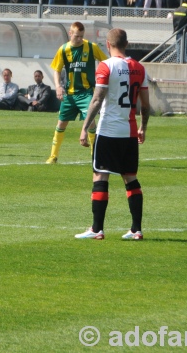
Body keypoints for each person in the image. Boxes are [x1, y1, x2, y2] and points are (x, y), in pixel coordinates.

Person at [75, 28, 150, 240]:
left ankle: (97, 229)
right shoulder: (139, 68)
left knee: (100, 175)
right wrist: (143, 127)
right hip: (129, 131)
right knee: (130, 177)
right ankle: (136, 229)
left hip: (108, 130)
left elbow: (97, 99)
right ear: (127, 44)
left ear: (108, 45)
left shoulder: (106, 66)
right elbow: (145, 105)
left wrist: (84, 127)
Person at [46, 21, 109, 165]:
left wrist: (101, 77)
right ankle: (53, 156)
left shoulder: (91, 47)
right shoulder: (63, 49)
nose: (80, 39)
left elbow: (105, 62)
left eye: (81, 36)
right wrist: (58, 86)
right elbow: (56, 69)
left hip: (86, 93)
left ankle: (95, 156)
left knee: (91, 122)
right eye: (77, 36)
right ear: (70, 34)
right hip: (70, 94)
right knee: (61, 123)